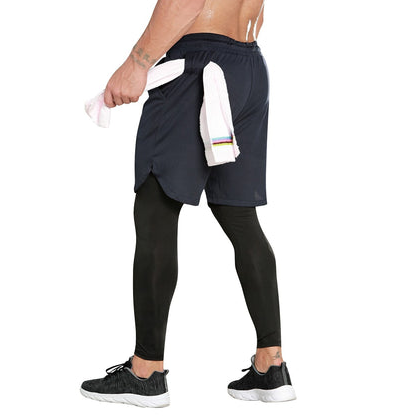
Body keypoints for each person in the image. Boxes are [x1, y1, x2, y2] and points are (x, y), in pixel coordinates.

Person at [80, 0, 296, 407]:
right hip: (248, 66)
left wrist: (137, 63)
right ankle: (271, 365)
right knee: (239, 215)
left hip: (198, 67)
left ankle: (145, 372)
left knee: (156, 206)